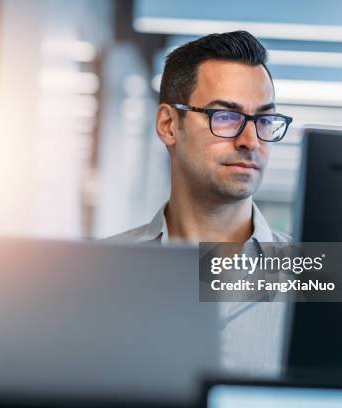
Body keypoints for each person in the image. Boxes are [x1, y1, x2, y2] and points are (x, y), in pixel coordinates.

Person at [107, 31, 293, 377]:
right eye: (225, 116)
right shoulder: (98, 273)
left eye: (264, 120)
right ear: (168, 125)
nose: (251, 141)